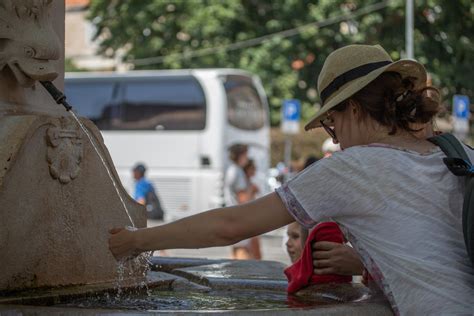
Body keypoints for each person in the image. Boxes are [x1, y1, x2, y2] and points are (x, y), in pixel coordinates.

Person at [109, 44, 474, 315]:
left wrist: (137, 240)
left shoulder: (355, 166)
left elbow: (229, 225)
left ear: (354, 109)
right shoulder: (459, 153)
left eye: (332, 123)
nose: (334, 140)